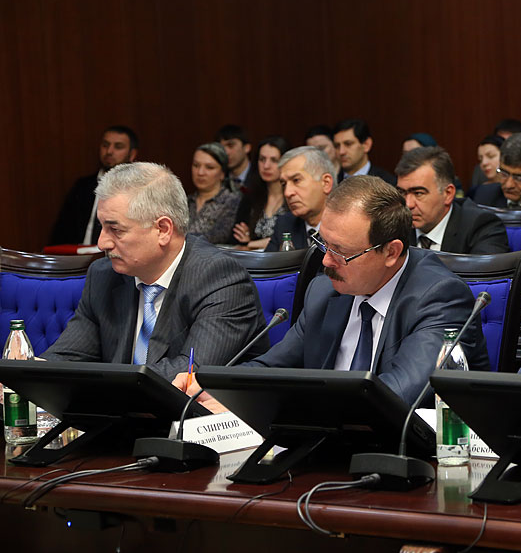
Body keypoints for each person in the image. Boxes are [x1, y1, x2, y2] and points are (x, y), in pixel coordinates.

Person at [178, 175, 491, 408]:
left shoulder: (440, 297)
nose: (326, 261)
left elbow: (395, 396)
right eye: (323, 244)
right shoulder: (324, 290)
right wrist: (213, 387)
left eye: (341, 251)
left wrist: (279, 406)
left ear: (391, 252)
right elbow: (273, 367)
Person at [42, 162, 267, 377]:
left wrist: (101, 386)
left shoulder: (221, 278)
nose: (102, 243)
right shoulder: (104, 275)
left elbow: (189, 373)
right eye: (102, 227)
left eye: (116, 230)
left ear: (163, 229)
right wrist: (34, 371)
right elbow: (67, 357)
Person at [395, 146, 509, 254]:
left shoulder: (481, 226)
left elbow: (484, 268)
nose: (408, 204)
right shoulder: (395, 225)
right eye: (402, 193)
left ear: (448, 194)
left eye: (418, 193)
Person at [49, 125, 139, 245]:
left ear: (132, 154)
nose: (109, 151)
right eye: (105, 145)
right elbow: (62, 232)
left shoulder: (138, 189)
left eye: (118, 147)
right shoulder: (82, 186)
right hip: (79, 253)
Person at [265, 146, 336, 251]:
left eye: (296, 180)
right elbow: (268, 261)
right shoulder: (285, 224)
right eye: (284, 184)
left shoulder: (349, 225)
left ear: (326, 183)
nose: (287, 193)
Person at [233, 137, 290, 250]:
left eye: (274, 160)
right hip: (254, 258)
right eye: (262, 159)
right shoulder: (250, 197)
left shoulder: (294, 197)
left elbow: (288, 239)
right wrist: (245, 237)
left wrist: (250, 244)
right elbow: (237, 237)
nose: (266, 166)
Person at [187, 143, 241, 244]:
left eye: (209, 167)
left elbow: (220, 236)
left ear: (222, 173)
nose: (200, 172)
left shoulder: (232, 200)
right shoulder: (185, 201)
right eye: (196, 165)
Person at [333, 118, 395, 184]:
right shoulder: (331, 183)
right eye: (337, 146)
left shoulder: (387, 182)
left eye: (348, 144)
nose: (341, 152)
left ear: (366, 144)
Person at [216, 124, 255, 189]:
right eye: (221, 148)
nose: (226, 152)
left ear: (246, 148)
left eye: (230, 146)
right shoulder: (218, 179)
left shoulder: (261, 177)